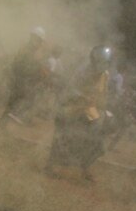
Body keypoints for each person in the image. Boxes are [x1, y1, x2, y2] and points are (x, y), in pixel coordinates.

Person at [45, 45, 112, 181]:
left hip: (89, 110)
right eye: (99, 62)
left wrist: (103, 107)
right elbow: (70, 90)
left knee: (96, 140)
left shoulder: (105, 75)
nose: (102, 66)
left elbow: (103, 95)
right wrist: (83, 97)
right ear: (93, 61)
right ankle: (50, 166)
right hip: (71, 107)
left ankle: (85, 167)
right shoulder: (83, 71)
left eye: (104, 63)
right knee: (62, 136)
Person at [0, 27, 48, 128]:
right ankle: (14, 118)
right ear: (34, 39)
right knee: (24, 100)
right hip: (19, 80)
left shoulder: (30, 50)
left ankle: (2, 125)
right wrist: (37, 71)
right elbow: (20, 66)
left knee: (12, 103)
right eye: (39, 41)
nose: (40, 44)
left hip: (21, 80)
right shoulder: (27, 50)